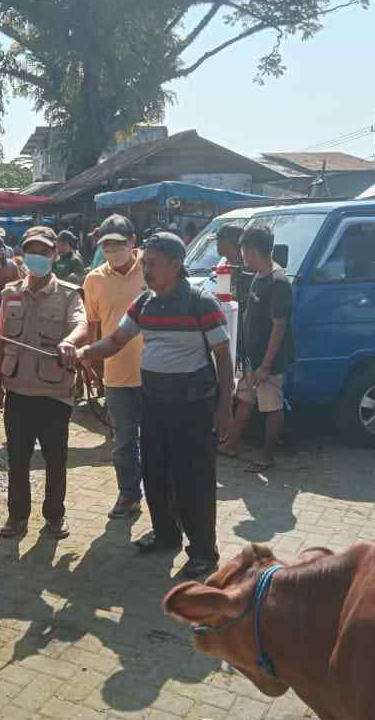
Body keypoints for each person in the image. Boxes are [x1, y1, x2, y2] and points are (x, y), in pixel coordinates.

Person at [76, 232, 234, 579]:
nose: (145, 269)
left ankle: (204, 552)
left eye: (152, 263)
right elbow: (116, 340)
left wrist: (225, 408)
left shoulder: (200, 302)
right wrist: (84, 352)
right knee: (155, 473)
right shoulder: (144, 304)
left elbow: (223, 356)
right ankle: (166, 534)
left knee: (194, 480)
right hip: (155, 403)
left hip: (193, 408)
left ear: (176, 265)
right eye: (144, 262)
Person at [0, 226, 89, 540]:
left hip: (54, 394)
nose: (37, 257)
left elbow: (81, 323)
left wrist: (70, 342)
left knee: (55, 460)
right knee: (17, 461)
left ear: (54, 254)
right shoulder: (11, 293)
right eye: (31, 251)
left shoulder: (69, 293)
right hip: (17, 391)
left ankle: (54, 517)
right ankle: (17, 517)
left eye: (43, 251)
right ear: (24, 254)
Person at [82, 215, 147, 519]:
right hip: (116, 373)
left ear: (132, 242)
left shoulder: (152, 267)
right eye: (106, 244)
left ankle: (164, 497)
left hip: (155, 372)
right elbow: (93, 325)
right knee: (123, 441)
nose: (112, 249)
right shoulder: (94, 279)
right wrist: (93, 365)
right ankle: (129, 495)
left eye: (118, 243)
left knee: (159, 439)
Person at [218, 225, 294, 473]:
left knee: (272, 406)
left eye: (243, 250)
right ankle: (230, 444)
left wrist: (266, 366)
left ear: (251, 250)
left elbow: (278, 328)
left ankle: (267, 455)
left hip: (268, 362)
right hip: (253, 359)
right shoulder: (258, 277)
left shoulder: (278, 281)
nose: (242, 255)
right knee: (245, 399)